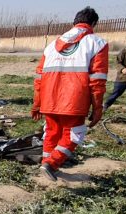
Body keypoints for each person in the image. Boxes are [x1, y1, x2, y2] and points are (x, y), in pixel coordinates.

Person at [31, 6, 108, 181]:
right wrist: (97, 107)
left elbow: (39, 78)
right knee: (73, 134)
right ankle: (51, 164)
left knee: (52, 133)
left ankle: (47, 164)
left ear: (74, 22)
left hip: (49, 98)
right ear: (94, 23)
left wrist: (37, 103)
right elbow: (97, 81)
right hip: (74, 100)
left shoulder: (51, 46)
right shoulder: (97, 43)